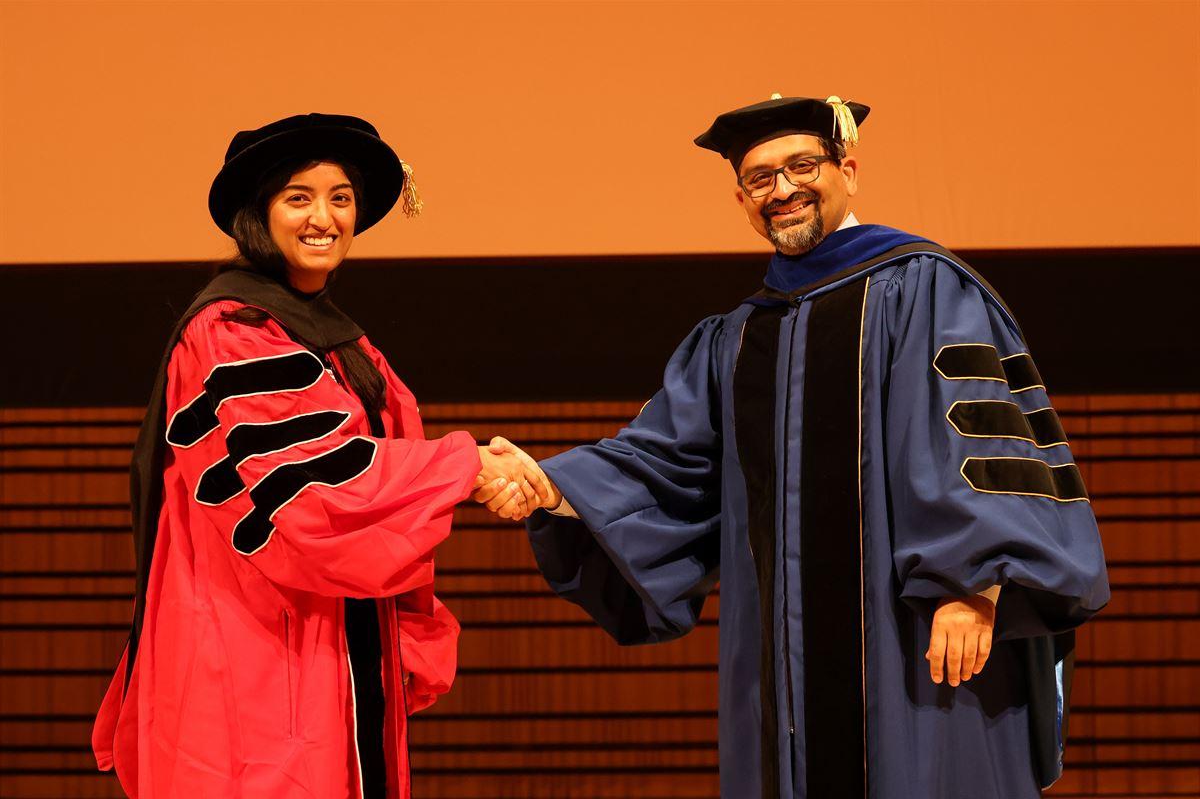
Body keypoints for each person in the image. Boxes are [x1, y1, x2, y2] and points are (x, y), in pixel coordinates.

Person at [474, 95, 1110, 798]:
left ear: (849, 169)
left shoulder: (924, 288)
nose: (781, 190)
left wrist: (974, 583)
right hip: (784, 670)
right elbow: (668, 461)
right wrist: (553, 484)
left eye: (801, 165)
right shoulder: (741, 339)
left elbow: (979, 441)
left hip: (919, 642)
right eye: (759, 178)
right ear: (741, 197)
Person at [92, 113, 548, 798]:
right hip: (254, 647)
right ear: (259, 214)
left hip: (331, 632)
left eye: (340, 198)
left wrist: (472, 472)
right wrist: (470, 468)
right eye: (298, 197)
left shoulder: (341, 340)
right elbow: (312, 487)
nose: (324, 217)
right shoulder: (230, 332)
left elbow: (379, 461)